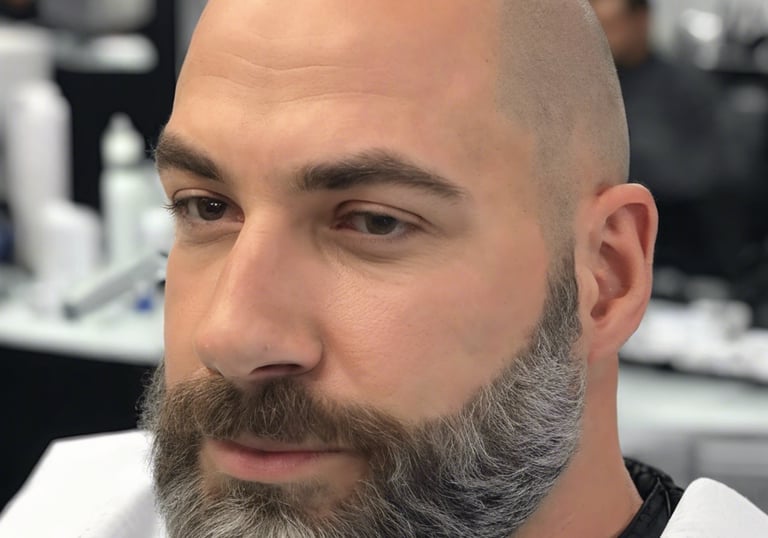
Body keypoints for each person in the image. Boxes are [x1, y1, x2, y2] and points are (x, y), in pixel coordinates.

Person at [1, 1, 767, 537]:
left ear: (606, 276)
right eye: (206, 208)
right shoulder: (73, 515)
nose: (230, 335)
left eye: (374, 221)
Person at [589, 0, 741, 278]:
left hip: (679, 252)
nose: (600, 37)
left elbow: (706, 177)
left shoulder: (687, 91)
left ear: (641, 20)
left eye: (609, 26)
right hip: (594, 248)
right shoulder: (584, 89)